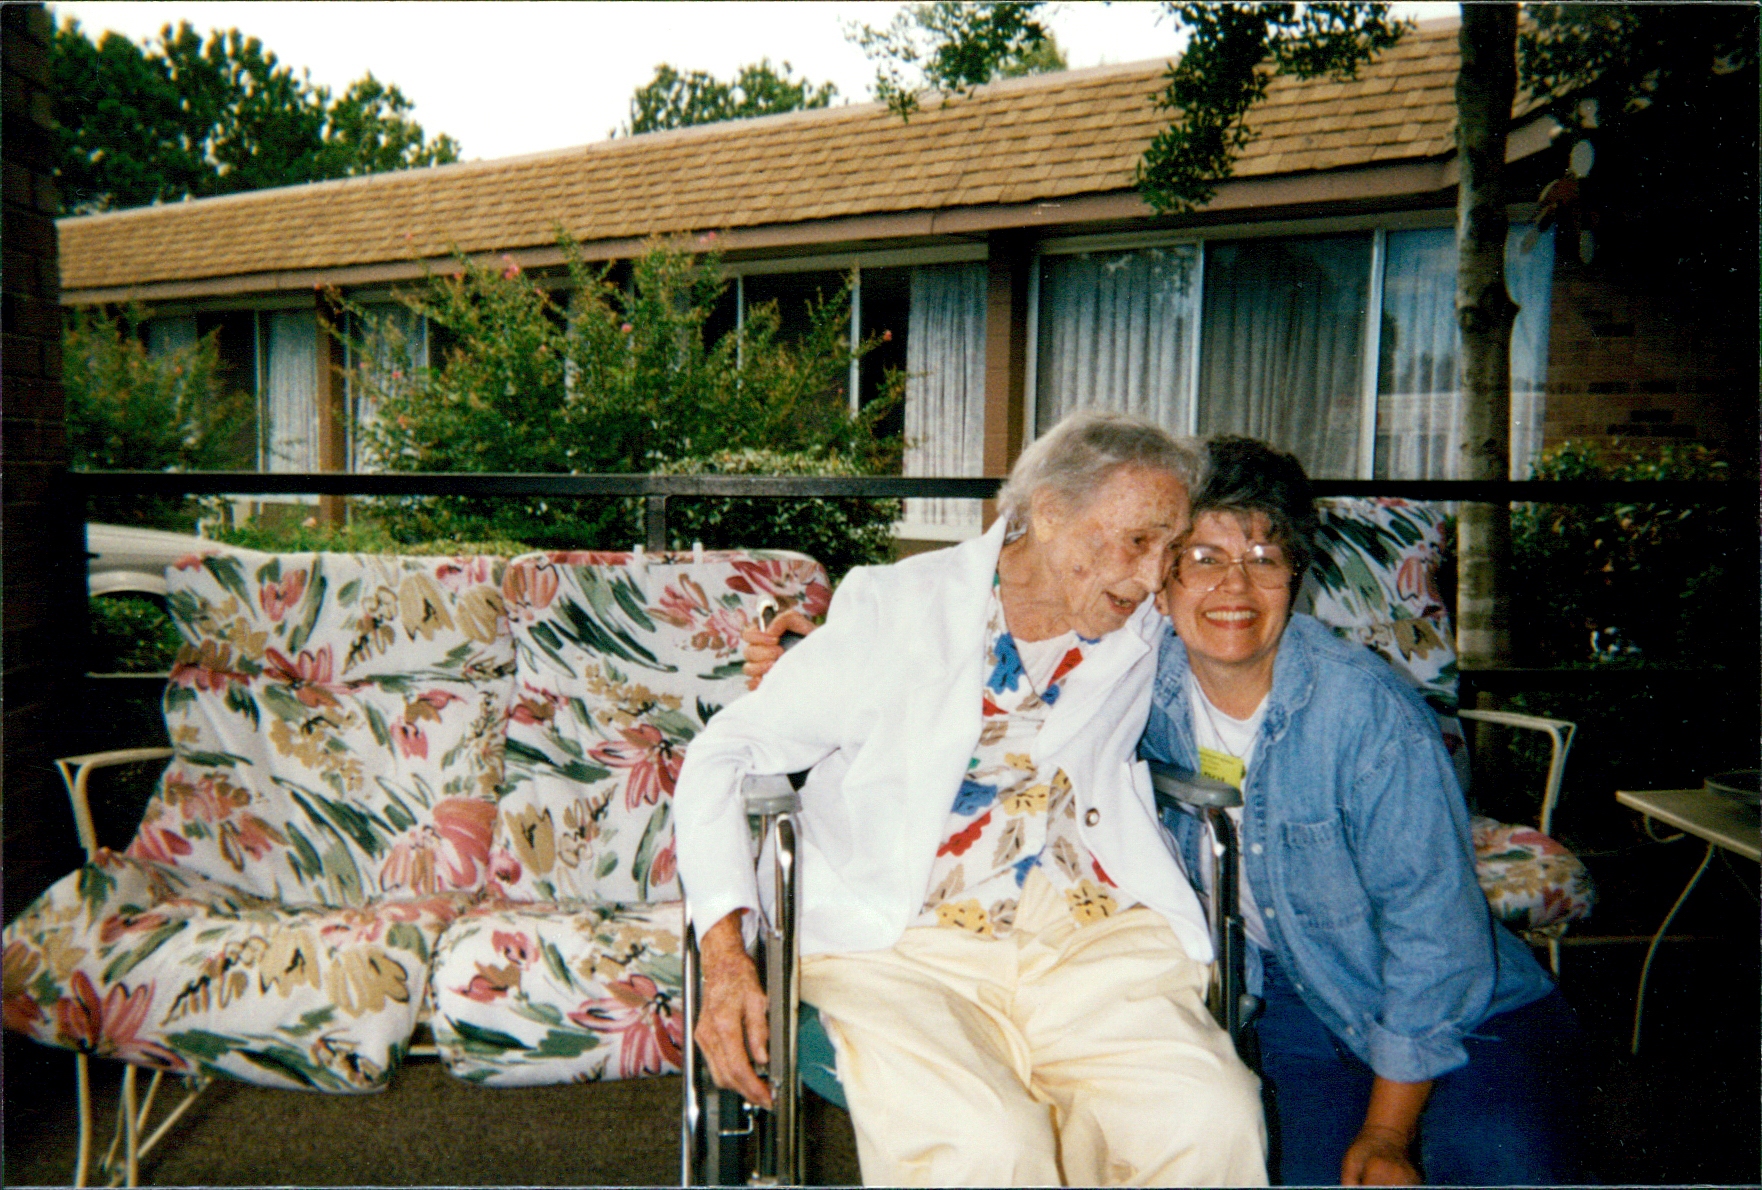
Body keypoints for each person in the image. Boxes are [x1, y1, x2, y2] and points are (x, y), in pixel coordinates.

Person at [674, 410, 1268, 1187]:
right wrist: (724, 957)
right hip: (904, 941)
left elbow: (1254, 631)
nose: (1156, 576)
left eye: (1170, 547)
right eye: (1135, 541)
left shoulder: (1143, 621)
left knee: (1211, 1118)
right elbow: (724, 754)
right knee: (990, 1147)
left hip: (1084, 930)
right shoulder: (897, 608)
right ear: (1047, 513)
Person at [1141, 435, 1581, 1186]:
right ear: (1161, 581)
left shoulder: (1371, 716)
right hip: (1291, 1004)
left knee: (1496, 1166)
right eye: (1204, 557)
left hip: (1463, 1009)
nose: (1234, 587)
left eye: (1264, 558)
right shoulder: (1136, 691)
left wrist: (1386, 1132)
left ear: (1296, 576)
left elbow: (1434, 936)